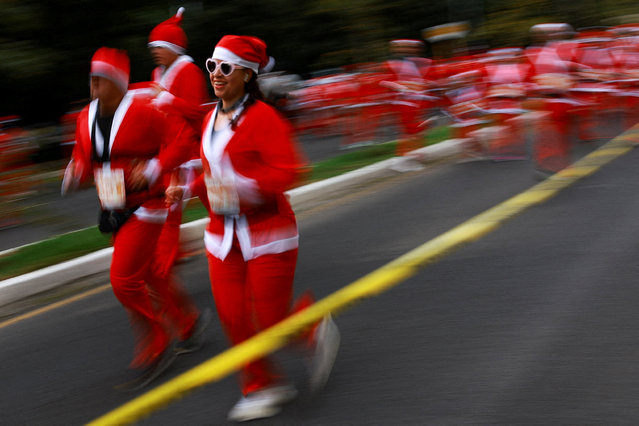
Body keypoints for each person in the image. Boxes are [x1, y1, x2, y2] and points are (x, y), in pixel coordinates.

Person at [165, 35, 340, 422]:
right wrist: (186, 188)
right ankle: (263, 385)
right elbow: (212, 173)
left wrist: (246, 186)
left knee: (272, 319)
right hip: (222, 235)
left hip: (268, 232)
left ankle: (311, 328)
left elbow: (293, 170)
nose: (216, 74)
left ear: (247, 74)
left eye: (225, 68)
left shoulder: (264, 118)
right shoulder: (211, 117)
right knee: (232, 316)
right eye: (212, 66)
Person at [61, 47, 200, 390]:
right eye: (92, 79)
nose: (93, 85)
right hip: (112, 207)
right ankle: (186, 321)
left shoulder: (144, 113)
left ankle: (157, 342)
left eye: (101, 79)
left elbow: (182, 142)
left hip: (147, 206)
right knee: (150, 272)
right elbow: (83, 158)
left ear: (119, 83)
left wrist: (153, 168)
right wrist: (76, 172)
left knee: (124, 280)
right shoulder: (84, 118)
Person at [146, 6, 213, 353]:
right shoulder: (160, 70)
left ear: (175, 46)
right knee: (169, 216)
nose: (154, 49)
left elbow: (196, 111)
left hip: (185, 155)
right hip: (164, 154)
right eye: (152, 45)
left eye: (160, 44)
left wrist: (167, 100)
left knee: (169, 216)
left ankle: (167, 270)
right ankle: (172, 263)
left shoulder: (187, 71)